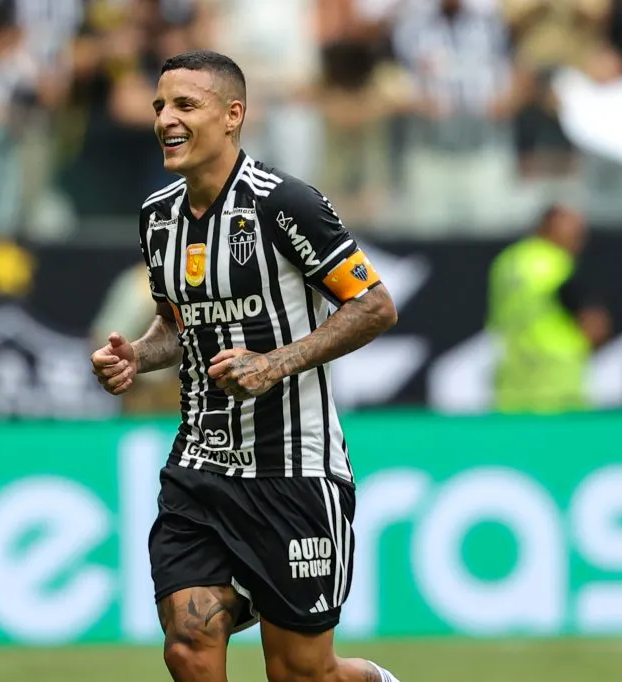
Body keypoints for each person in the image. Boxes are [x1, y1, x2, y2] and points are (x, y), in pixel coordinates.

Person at [91, 50, 401, 682]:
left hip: (293, 468)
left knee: (301, 673)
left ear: (232, 115)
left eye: (186, 104)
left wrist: (275, 364)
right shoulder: (158, 217)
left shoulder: (285, 204)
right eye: (159, 106)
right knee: (188, 643)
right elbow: (179, 325)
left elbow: (374, 305)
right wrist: (137, 356)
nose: (166, 119)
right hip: (200, 466)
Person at [486, 204, 612, 414]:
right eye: (575, 233)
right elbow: (593, 322)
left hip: (512, 380)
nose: (579, 240)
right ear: (552, 229)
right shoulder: (555, 264)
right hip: (556, 383)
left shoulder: (507, 262)